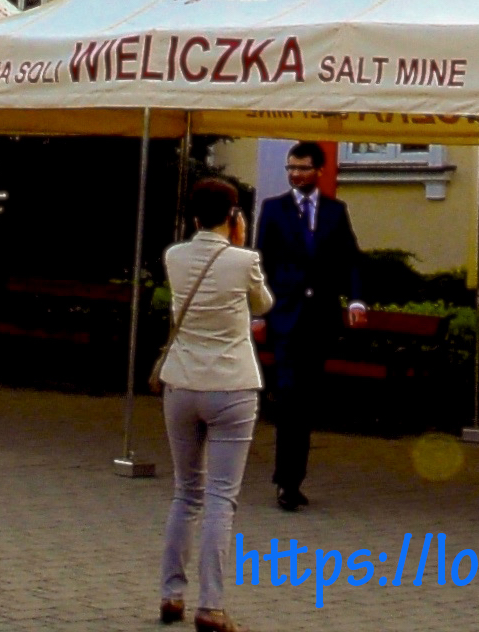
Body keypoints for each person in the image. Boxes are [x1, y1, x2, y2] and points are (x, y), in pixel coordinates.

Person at [157, 177, 273, 632]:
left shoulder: (174, 256)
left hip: (181, 383)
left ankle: (171, 595)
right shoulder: (245, 259)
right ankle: (211, 605)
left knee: (185, 492)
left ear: (192, 217)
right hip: (232, 387)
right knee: (222, 497)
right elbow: (263, 304)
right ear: (234, 216)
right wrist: (241, 244)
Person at [254, 141, 366, 511]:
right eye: (291, 168)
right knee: (289, 397)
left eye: (302, 168)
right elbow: (260, 264)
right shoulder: (273, 209)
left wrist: (355, 299)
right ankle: (285, 481)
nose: (295, 174)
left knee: (305, 401)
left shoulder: (335, 211)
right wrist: (258, 313)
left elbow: (350, 258)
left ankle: (293, 478)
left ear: (318, 170)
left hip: (319, 319)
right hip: (285, 317)